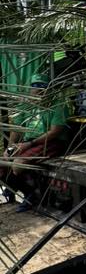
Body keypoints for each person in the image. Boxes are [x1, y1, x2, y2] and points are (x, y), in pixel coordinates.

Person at [1, 76, 71, 211]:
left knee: (17, 164)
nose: (38, 90)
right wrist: (9, 147)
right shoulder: (28, 104)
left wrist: (30, 144)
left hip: (51, 142)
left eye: (42, 86)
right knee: (3, 162)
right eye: (35, 86)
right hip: (29, 141)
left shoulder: (58, 105)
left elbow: (55, 132)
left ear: (49, 89)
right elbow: (16, 128)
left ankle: (30, 195)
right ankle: (17, 189)